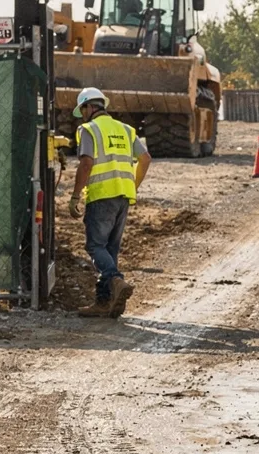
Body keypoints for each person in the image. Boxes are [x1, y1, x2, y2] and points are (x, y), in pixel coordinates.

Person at [67, 87, 151, 319]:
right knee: (110, 248)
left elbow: (86, 163)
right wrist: (132, 185)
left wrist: (75, 196)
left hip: (101, 195)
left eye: (82, 109)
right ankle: (104, 302)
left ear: (88, 107)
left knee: (95, 246)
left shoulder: (88, 129)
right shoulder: (125, 129)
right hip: (123, 196)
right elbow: (145, 159)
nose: (82, 115)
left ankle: (116, 280)